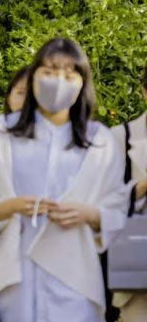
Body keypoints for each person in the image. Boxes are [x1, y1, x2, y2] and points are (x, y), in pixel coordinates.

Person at [0, 37, 126, 321]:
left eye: (69, 74)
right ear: (34, 77)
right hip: (11, 280)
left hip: (76, 281)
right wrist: (5, 207)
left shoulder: (100, 141)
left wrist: (91, 214)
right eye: (50, 71)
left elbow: (118, 207)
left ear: (82, 82)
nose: (59, 81)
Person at [110, 65, 147, 320]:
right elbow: (102, 203)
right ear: (145, 92)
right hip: (137, 265)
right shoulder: (121, 137)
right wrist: (143, 186)